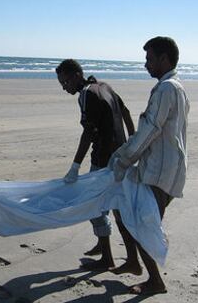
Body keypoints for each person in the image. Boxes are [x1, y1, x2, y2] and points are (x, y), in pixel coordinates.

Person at [109, 36, 189, 295]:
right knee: (135, 217)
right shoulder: (176, 86)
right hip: (165, 168)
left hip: (159, 171)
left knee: (142, 225)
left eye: (149, 59)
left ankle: (155, 281)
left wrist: (124, 158)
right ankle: (137, 264)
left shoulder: (166, 89)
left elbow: (150, 129)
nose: (146, 64)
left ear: (164, 59)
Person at [56, 59, 135, 271]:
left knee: (94, 208)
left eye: (64, 82)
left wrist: (74, 166)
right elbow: (125, 112)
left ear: (75, 76)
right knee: (113, 207)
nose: (64, 88)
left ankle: (108, 258)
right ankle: (106, 247)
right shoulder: (104, 86)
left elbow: (88, 133)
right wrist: (132, 141)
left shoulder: (86, 95)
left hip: (103, 160)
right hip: (120, 155)